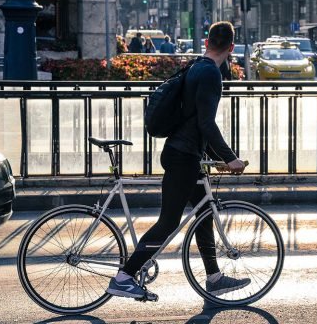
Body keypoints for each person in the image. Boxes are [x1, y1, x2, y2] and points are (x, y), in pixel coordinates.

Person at [106, 21, 248, 300]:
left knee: (204, 214)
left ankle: (214, 277)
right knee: (168, 222)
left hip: (188, 154)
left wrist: (210, 157)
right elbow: (206, 123)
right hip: (182, 156)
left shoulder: (197, 66)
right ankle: (124, 276)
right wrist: (230, 158)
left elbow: (193, 119)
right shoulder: (210, 74)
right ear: (231, 48)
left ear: (207, 42)